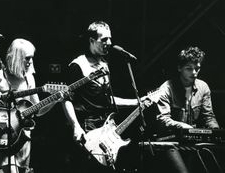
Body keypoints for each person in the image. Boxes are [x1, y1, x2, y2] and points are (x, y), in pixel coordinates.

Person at [62, 21, 148, 173]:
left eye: (110, 39)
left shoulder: (104, 64)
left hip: (106, 126)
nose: (109, 43)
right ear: (91, 41)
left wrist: (136, 102)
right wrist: (75, 126)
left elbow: (107, 101)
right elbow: (66, 99)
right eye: (104, 40)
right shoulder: (78, 65)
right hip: (87, 128)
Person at [153, 46, 220, 173]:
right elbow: (162, 119)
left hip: (193, 141)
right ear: (179, 68)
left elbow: (208, 116)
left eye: (197, 68)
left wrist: (216, 133)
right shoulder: (166, 88)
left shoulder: (203, 87)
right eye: (189, 69)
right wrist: (183, 126)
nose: (194, 73)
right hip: (170, 142)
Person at [0, 38, 38, 173]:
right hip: (4, 134)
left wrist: (55, 100)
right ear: (16, 58)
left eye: (32, 58)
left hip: (23, 136)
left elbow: (38, 110)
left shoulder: (29, 78)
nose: (30, 62)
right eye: (27, 58)